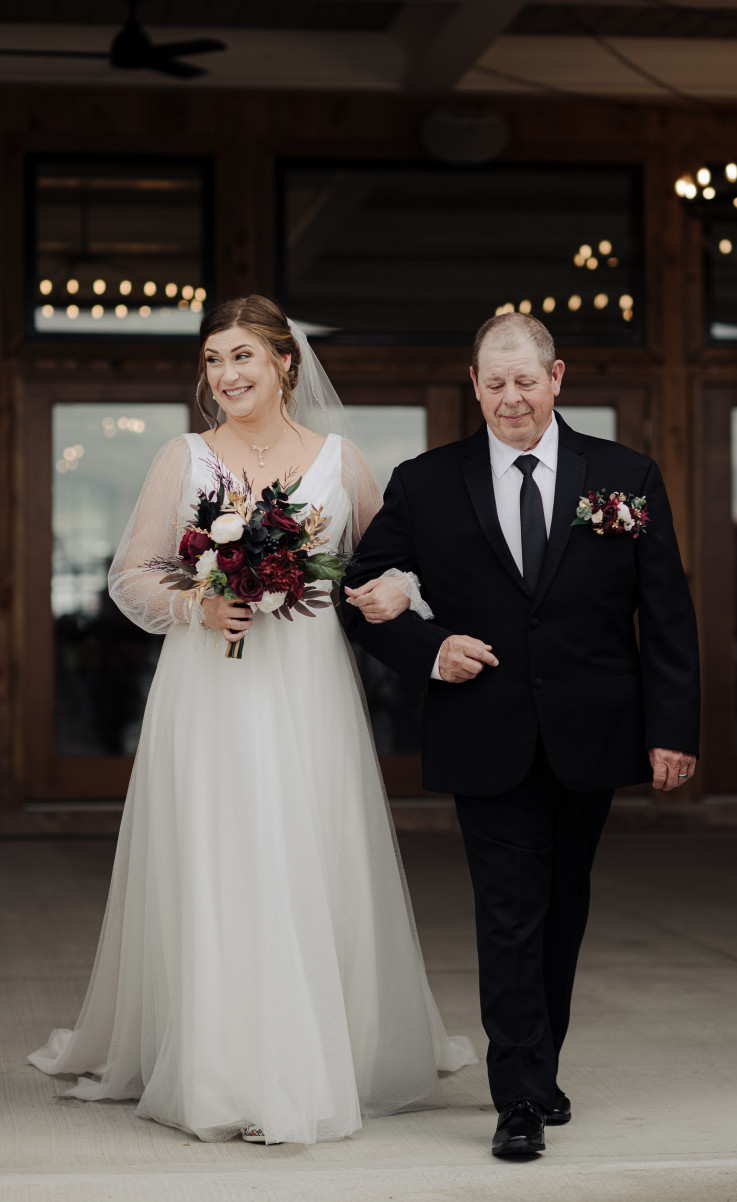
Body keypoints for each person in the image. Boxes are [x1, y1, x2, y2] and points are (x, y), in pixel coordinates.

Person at [28, 295, 475, 1145]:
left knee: (308, 846)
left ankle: (317, 1057)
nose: (226, 375)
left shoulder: (340, 461)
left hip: (308, 689)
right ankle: (223, 1069)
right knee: (223, 853)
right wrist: (199, 604)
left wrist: (397, 590)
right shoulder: (184, 458)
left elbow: (386, 566)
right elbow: (132, 575)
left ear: (284, 363)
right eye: (213, 360)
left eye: (242, 357)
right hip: (211, 691)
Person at [342, 312, 701, 1159]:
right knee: (509, 915)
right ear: (474, 385)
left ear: (557, 378)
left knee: (562, 913)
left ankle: (540, 1067)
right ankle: (519, 1099)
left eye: (526, 381)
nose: (511, 398)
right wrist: (432, 650)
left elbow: (667, 613)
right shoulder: (426, 482)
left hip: (593, 731)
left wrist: (672, 729)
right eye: (495, 382)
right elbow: (359, 594)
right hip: (483, 730)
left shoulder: (625, 475)